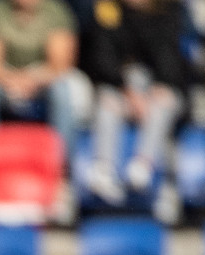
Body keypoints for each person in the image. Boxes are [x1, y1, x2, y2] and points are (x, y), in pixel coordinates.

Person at [80, 0, 189, 203]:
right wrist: (127, 91)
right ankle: (104, 169)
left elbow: (170, 61)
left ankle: (143, 166)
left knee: (164, 103)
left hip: (157, 90)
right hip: (119, 89)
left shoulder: (169, 12)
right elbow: (102, 57)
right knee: (107, 102)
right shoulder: (108, 11)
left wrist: (156, 88)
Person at [0, 0, 90, 160]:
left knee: (63, 90)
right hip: (5, 80)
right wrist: (11, 79)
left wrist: (33, 80)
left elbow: (60, 63)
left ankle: (62, 161)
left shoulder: (56, 12)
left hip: (42, 81)